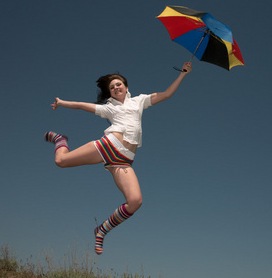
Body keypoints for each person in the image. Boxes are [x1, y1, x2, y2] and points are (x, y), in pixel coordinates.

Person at [44, 62, 192, 255]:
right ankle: (60, 140)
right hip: (109, 146)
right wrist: (62, 102)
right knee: (60, 162)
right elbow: (82, 106)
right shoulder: (109, 108)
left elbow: (165, 94)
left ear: (126, 87)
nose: (115, 88)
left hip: (124, 160)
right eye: (112, 87)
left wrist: (183, 74)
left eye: (118, 84)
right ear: (110, 92)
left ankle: (102, 230)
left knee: (135, 201)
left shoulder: (139, 101)